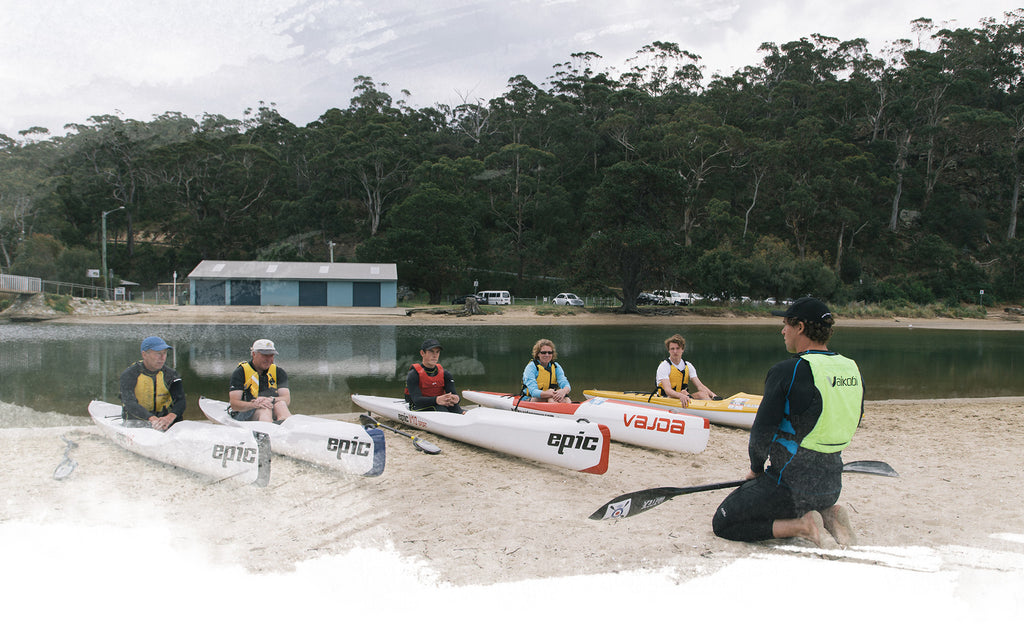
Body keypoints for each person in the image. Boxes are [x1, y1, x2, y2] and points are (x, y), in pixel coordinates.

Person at [712, 297, 863, 547]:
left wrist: (756, 470)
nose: (783, 331)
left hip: (789, 485)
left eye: (786, 324)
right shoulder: (851, 368)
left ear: (800, 327)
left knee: (724, 521)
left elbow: (761, 433)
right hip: (831, 484)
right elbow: (853, 417)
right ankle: (829, 514)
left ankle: (803, 526)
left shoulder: (788, 370)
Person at [118, 336, 186, 431]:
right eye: (158, 354)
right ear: (144, 354)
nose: (162, 358)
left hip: (164, 421)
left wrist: (169, 418)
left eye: (165, 353)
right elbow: (129, 402)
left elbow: (180, 401)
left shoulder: (171, 375)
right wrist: (152, 419)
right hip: (136, 422)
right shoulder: (129, 374)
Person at [228, 339, 293, 422]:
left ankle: (286, 428)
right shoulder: (240, 372)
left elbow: (286, 399)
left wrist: (271, 399)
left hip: (269, 406)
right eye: (264, 355)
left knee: (281, 404)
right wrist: (254, 404)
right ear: (254, 354)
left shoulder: (279, 372)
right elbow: (234, 404)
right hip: (245, 411)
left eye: (271, 355)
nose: (268, 359)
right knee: (264, 410)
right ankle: (268, 430)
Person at [655, 333, 717, 407]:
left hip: (683, 396)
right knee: (684, 393)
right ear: (669, 350)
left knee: (702, 394)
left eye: (677, 348)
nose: (675, 351)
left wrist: (714, 396)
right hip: (666, 398)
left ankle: (714, 408)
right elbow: (668, 390)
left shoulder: (688, 365)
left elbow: (700, 386)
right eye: (672, 349)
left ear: (682, 349)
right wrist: (681, 395)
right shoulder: (664, 366)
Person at [404, 338, 464, 413]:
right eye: (431, 352)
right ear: (422, 353)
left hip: (438, 404)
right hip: (418, 406)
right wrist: (437, 400)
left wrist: (456, 398)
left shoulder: (445, 374)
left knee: (454, 406)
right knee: (440, 408)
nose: (435, 355)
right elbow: (416, 400)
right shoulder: (414, 374)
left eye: (437, 352)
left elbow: (454, 394)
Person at [521, 338, 571, 403]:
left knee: (567, 400)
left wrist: (563, 391)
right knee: (550, 399)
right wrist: (552, 394)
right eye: (543, 352)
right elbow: (533, 392)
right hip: (530, 398)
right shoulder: (531, 367)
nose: (547, 355)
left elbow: (565, 383)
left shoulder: (556, 367)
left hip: (552, 396)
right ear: (538, 354)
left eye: (550, 352)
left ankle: (566, 410)